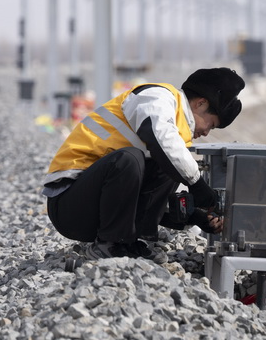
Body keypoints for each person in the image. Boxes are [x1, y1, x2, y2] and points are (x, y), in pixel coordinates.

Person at [42, 67, 245, 261]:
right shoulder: (157, 97)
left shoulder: (176, 134)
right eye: (211, 124)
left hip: (94, 208)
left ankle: (129, 242)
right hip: (69, 205)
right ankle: (111, 243)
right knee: (131, 159)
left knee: (168, 166)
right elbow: (160, 138)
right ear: (200, 104)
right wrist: (197, 183)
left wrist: (195, 216)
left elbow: (151, 196)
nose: (207, 132)